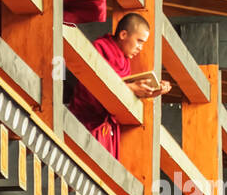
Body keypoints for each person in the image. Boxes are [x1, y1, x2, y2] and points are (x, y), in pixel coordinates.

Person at [68, 12, 172, 160]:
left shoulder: (124, 63)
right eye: (139, 41)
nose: (140, 48)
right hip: (87, 123)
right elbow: (90, 89)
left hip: (108, 130)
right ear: (123, 34)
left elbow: (120, 93)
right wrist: (128, 88)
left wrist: (149, 92)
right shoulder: (100, 48)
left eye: (143, 44)